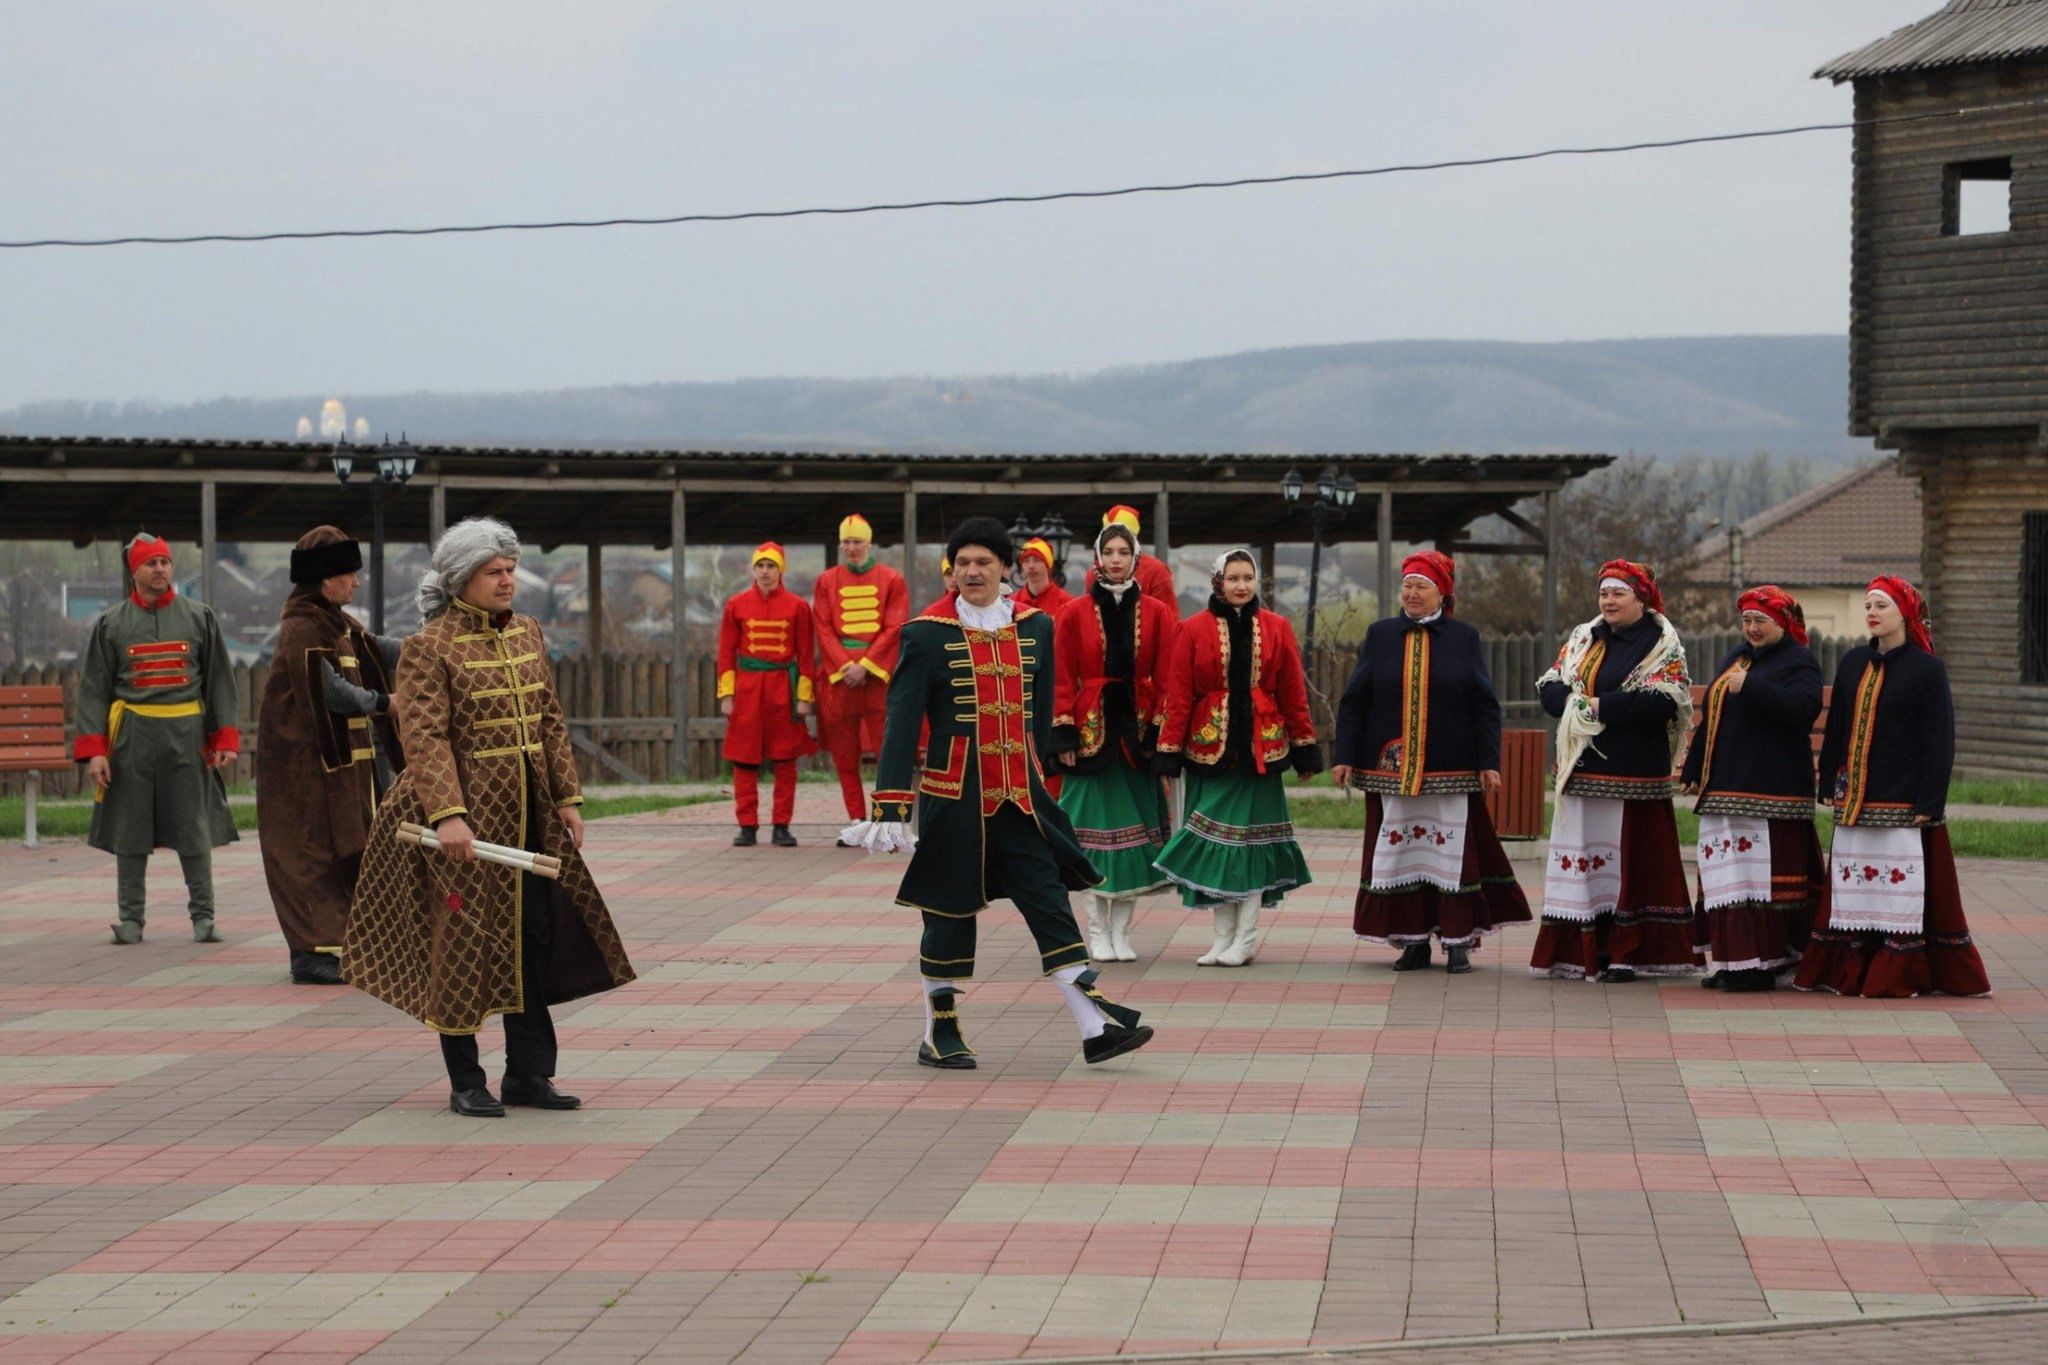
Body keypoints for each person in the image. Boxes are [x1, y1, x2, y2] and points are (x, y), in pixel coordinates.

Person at [344, 518, 636, 1117]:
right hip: (461, 821)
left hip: (530, 815)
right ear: (460, 580)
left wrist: (568, 797)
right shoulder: (430, 646)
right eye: (493, 572)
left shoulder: (528, 633)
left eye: (509, 570)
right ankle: (466, 1079)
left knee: (533, 938)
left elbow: (549, 720)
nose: (508, 581)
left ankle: (528, 1075)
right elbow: (423, 735)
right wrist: (448, 814)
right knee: (463, 942)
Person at [842, 516, 1154, 1069]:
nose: (972, 571)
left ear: (1004, 568)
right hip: (953, 799)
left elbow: (1035, 718)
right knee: (948, 912)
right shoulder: (925, 633)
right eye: (962, 563)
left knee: (1049, 901)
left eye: (983, 562)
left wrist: (1041, 777)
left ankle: (1093, 1026)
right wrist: (890, 806)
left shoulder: (1036, 628)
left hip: (1019, 797)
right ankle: (940, 1030)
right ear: (951, 571)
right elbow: (901, 721)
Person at [1794, 576, 1990, 999]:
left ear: (1905, 612)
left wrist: (1930, 800)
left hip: (1902, 799)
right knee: (1853, 886)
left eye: (1881, 605)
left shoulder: (1927, 669)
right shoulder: (1852, 663)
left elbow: (1939, 740)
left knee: (1898, 890)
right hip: (1854, 798)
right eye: (1868, 606)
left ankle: (1898, 971)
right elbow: (1838, 727)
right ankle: (1852, 967)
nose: (1872, 613)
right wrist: (1826, 780)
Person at [1334, 551, 1530, 973]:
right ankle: (1414, 942)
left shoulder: (1464, 638)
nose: (1412, 593)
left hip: (1450, 768)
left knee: (1451, 853)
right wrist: (1345, 756)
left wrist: (1488, 761)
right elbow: (1355, 701)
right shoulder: (1380, 634)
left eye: (1421, 586)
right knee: (1403, 852)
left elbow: (1484, 705)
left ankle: (1458, 940)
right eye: (1407, 585)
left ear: (1442, 592)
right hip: (1392, 769)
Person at [1529, 560, 1700, 982]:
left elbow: (1666, 701)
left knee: (1629, 865)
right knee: (1588, 862)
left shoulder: (1661, 643)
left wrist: (1602, 706)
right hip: (1583, 771)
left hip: (1634, 776)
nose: (1608, 601)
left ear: (1641, 598)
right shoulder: (1584, 638)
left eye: (1618, 593)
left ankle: (1628, 953)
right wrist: (1571, 703)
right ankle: (1585, 950)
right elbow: (1551, 684)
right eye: (1604, 593)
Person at [1152, 549, 1322, 966]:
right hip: (1210, 748)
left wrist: (1304, 745)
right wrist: (1168, 753)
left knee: (1248, 846)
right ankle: (1222, 937)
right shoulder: (1192, 630)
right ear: (1218, 582)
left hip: (1261, 751)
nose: (1241, 585)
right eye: (1233, 578)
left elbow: (1292, 693)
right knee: (1214, 843)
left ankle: (1245, 938)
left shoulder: (1278, 628)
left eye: (1248, 577)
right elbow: (1179, 694)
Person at [72, 532, 239, 945]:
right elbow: (94, 688)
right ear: (136, 572)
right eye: (152, 563)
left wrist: (225, 738)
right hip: (132, 738)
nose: (161, 569)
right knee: (130, 829)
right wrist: (95, 752)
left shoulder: (199, 616)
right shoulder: (111, 624)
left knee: (193, 828)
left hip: (187, 737)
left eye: (165, 562)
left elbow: (219, 678)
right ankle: (131, 920)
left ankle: (204, 917)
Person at [256, 527, 405, 985]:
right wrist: (383, 703)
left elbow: (377, 649)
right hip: (305, 772)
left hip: (335, 770)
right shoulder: (303, 628)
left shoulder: (336, 623)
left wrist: (436, 642)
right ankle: (311, 952)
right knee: (311, 856)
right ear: (325, 579)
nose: (355, 583)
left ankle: (341, 944)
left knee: (345, 850)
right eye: (348, 574)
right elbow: (333, 693)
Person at [1679, 585, 1825, 992]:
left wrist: (1755, 688)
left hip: (1770, 793)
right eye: (1746, 620)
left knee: (1761, 880)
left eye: (1761, 620)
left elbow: (1803, 711)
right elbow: (1712, 714)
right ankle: (1731, 960)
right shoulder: (1737, 657)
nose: (1752, 627)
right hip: (1725, 786)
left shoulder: (1800, 662)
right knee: (1728, 879)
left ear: (1782, 622)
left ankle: (1765, 963)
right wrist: (1693, 767)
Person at [1050, 520, 1178, 961]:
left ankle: (1122, 931)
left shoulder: (1158, 614)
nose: (1117, 559)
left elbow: (1167, 677)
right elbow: (1061, 676)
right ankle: (1097, 930)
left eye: (1125, 552)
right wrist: (1063, 730)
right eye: (1111, 552)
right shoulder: (1072, 613)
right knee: (1088, 839)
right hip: (1090, 735)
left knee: (1135, 842)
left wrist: (1161, 732)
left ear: (1135, 558)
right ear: (1098, 558)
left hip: (1137, 737)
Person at [812, 514, 910, 833]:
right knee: (845, 755)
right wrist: (845, 666)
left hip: (876, 678)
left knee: (888, 750)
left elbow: (895, 626)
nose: (852, 548)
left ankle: (889, 819)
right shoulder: (826, 581)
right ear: (841, 545)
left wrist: (866, 665)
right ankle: (856, 818)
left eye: (857, 542)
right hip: (841, 679)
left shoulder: (892, 579)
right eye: (847, 542)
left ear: (869, 543)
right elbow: (823, 628)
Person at [717, 542, 817, 847]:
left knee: (785, 760)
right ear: (753, 569)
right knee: (744, 759)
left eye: (771, 566)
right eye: (760, 565)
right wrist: (727, 693)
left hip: (782, 689)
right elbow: (725, 651)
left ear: (780, 569)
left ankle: (781, 825)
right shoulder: (736, 604)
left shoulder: (798, 607)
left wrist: (803, 698)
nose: (765, 572)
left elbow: (806, 655)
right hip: (748, 689)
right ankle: (747, 825)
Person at [1083, 506, 1176, 607]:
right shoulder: (1094, 574)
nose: (1116, 560)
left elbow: (1167, 617)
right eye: (1108, 552)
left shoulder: (1156, 571)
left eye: (1123, 552)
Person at [1013, 537, 1074, 615]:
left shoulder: (1067, 604)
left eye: (1037, 560)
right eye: (1026, 561)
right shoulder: (1012, 603)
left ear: (1048, 565)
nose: (1031, 566)